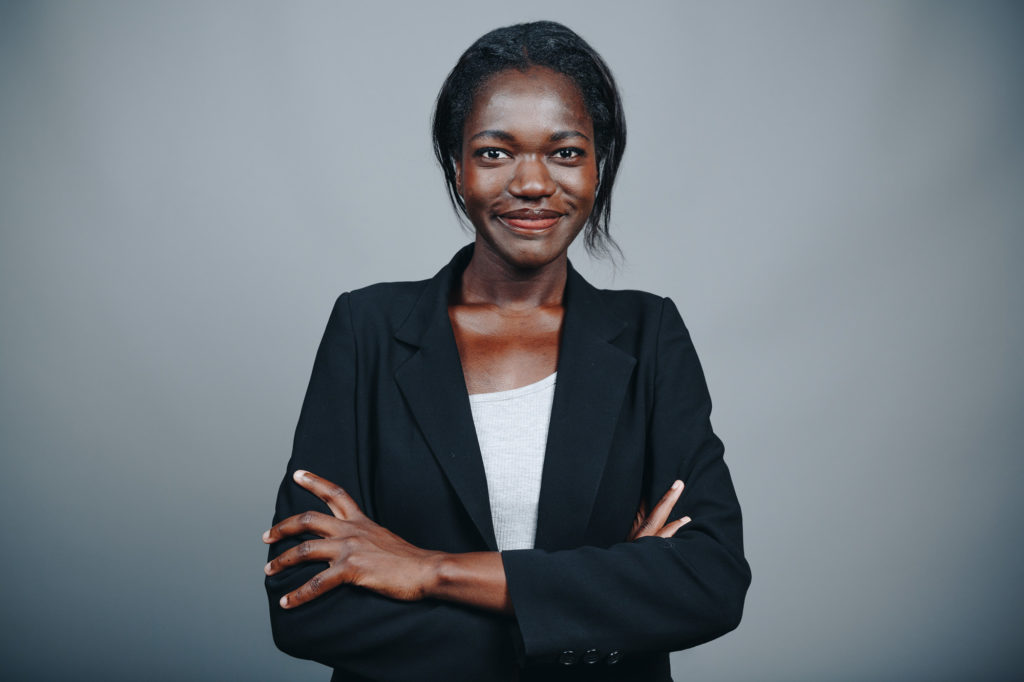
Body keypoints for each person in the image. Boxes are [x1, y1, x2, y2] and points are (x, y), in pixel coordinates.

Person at [263, 20, 750, 682]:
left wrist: (428, 570)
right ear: (455, 166)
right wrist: (599, 608)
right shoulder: (368, 328)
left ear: (598, 166)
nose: (532, 183)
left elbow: (710, 580)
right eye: (495, 153)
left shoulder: (649, 335)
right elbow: (306, 606)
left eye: (566, 153)